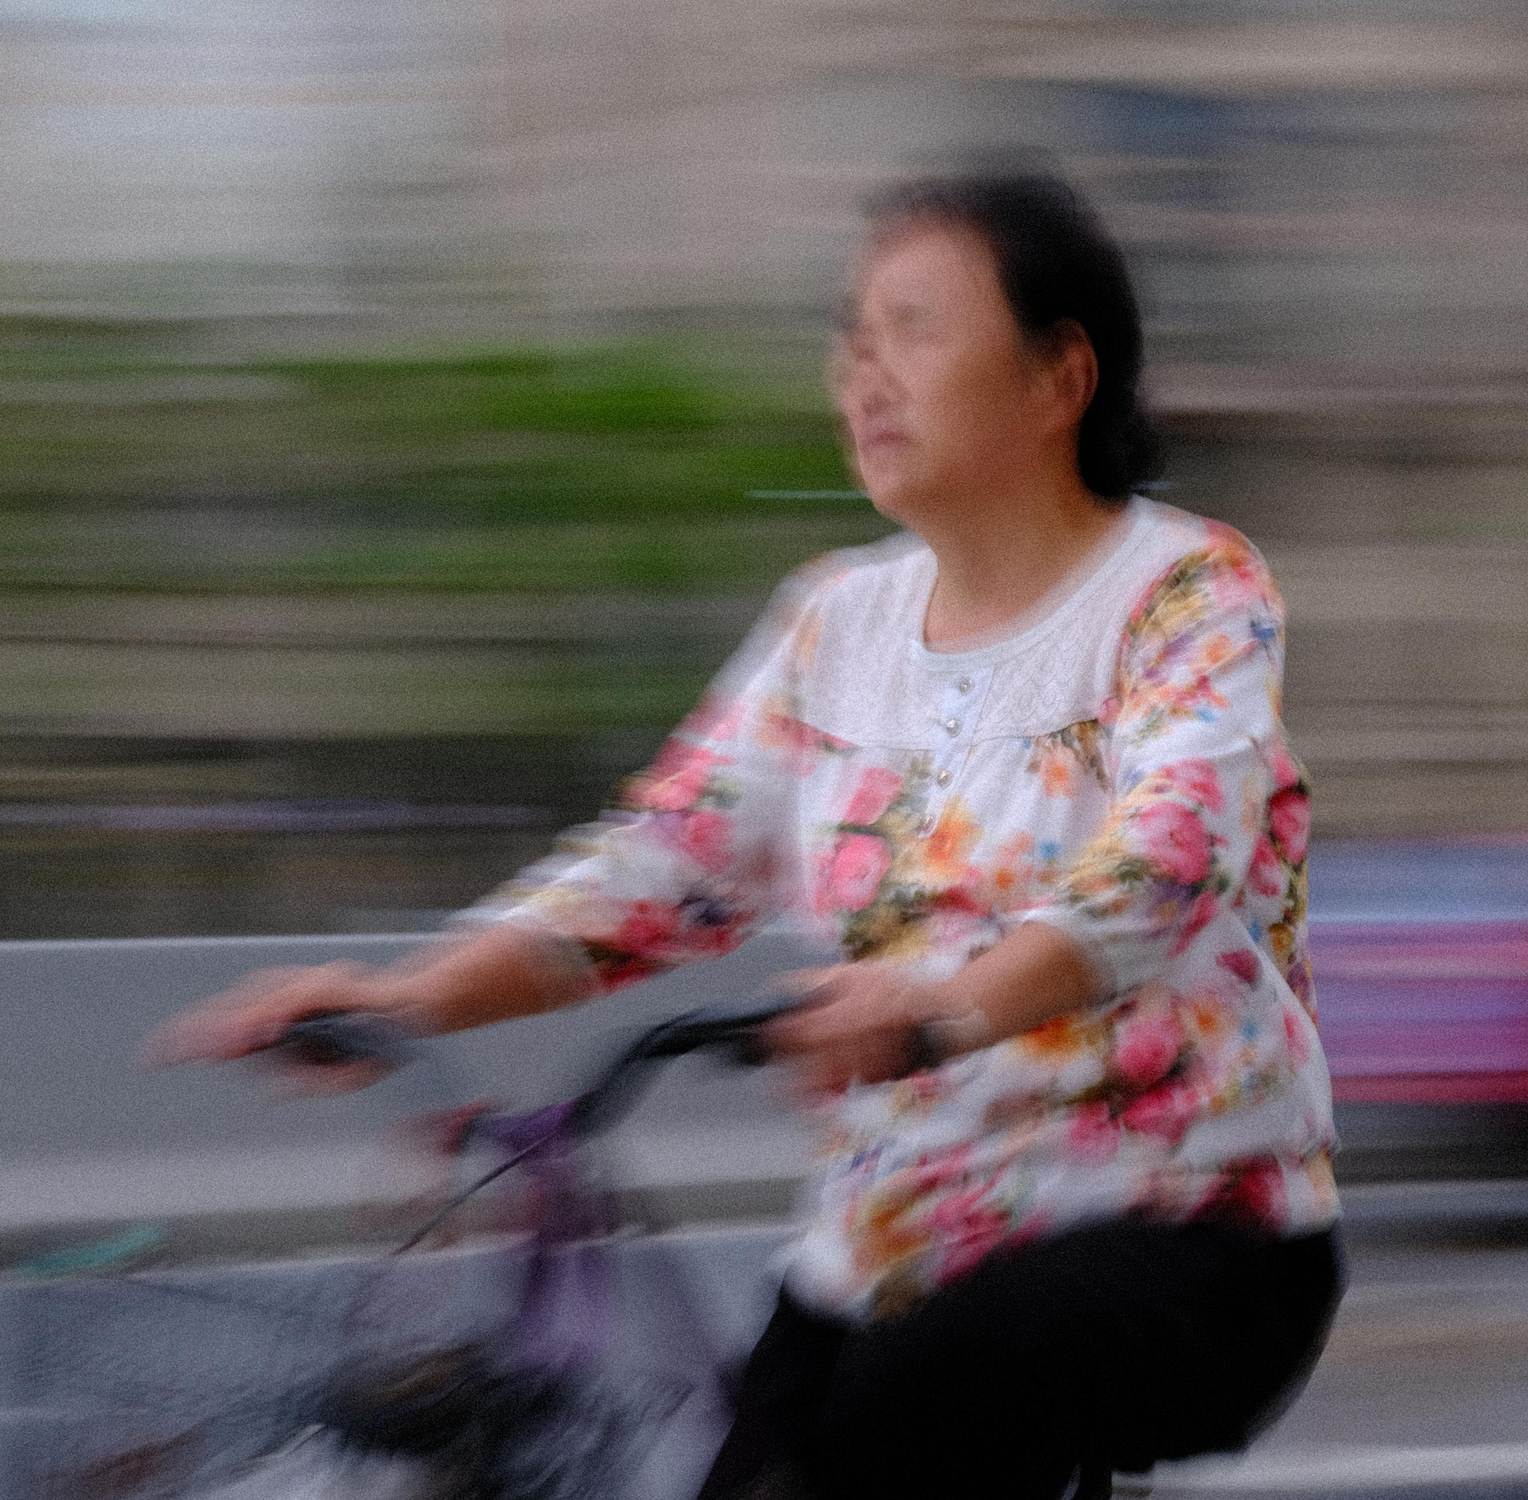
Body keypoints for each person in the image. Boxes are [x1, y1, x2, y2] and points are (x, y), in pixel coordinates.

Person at [147, 169, 1342, 1500]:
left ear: (1060, 375)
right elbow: (669, 862)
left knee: (916, 1412)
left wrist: (944, 1008)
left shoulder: (1184, 589)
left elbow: (1167, 862)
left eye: (914, 329)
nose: (862, 372)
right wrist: (408, 995)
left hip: (1182, 1230)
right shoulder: (835, 622)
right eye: (851, 336)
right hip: (885, 1255)